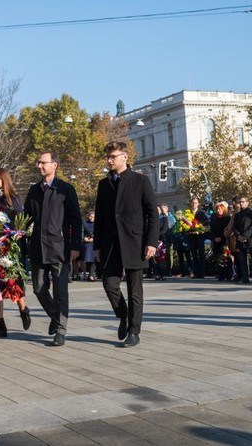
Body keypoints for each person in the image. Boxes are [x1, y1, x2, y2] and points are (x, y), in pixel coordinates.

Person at [94, 141, 158, 347]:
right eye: (108, 157)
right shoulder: (104, 184)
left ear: (125, 157)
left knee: (135, 290)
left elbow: (152, 214)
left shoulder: (140, 181)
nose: (110, 160)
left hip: (134, 242)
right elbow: (101, 216)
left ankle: (134, 331)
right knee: (109, 284)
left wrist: (151, 242)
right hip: (110, 243)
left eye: (113, 156)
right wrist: (97, 246)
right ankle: (123, 314)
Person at [24, 150, 82, 346]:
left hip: (60, 248)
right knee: (39, 289)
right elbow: (26, 219)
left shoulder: (65, 189)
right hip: (38, 249)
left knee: (60, 291)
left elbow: (76, 219)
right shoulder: (34, 191)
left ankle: (60, 330)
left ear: (54, 165)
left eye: (43, 162)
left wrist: (76, 245)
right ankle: (55, 316)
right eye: (38, 162)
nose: (39, 166)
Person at [0, 167, 32, 339]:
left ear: (5, 179)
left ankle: (23, 309)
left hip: (10, 247)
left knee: (12, 282)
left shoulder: (13, 199)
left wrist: (17, 233)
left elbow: (21, 222)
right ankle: (1, 325)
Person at [232, 196, 252, 284]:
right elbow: (234, 227)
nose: (241, 203)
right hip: (240, 240)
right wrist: (239, 236)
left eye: (243, 202)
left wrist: (245, 236)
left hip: (250, 239)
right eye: (240, 202)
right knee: (242, 260)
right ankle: (245, 278)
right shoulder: (237, 215)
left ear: (247, 202)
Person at [187, 196, 209, 278]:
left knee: (201, 254)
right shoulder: (188, 212)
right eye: (192, 203)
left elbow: (206, 222)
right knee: (194, 255)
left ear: (198, 204)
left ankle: (202, 273)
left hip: (199, 236)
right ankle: (195, 273)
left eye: (195, 203)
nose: (194, 204)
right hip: (191, 236)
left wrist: (200, 228)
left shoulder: (201, 212)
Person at [209, 201, 231, 281]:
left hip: (224, 240)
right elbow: (211, 229)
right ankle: (220, 275)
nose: (219, 210)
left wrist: (222, 237)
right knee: (218, 259)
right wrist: (214, 237)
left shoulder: (227, 218)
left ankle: (228, 275)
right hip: (216, 241)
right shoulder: (213, 217)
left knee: (225, 258)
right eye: (218, 209)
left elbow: (227, 229)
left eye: (220, 209)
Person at [81, 211, 97, 281]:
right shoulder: (84, 223)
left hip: (95, 243)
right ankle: (91, 275)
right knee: (87, 259)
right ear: (88, 216)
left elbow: (100, 232)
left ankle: (91, 275)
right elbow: (81, 232)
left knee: (94, 259)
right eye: (90, 216)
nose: (92, 218)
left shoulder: (97, 224)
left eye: (93, 217)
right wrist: (84, 238)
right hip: (87, 243)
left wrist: (94, 238)